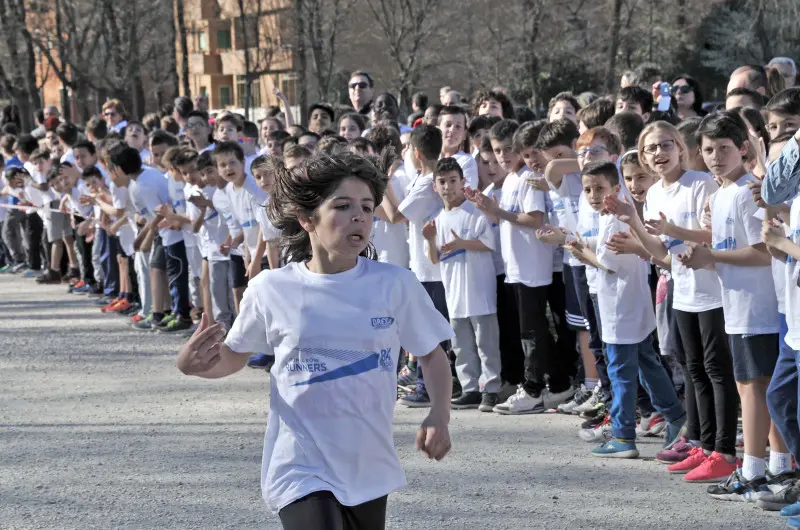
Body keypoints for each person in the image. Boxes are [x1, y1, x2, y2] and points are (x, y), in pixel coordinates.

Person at [176, 152, 453, 530]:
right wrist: (192, 365)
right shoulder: (271, 288)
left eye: (367, 207)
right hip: (299, 465)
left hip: (367, 463)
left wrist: (439, 414)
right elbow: (233, 356)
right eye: (343, 205)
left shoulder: (395, 284)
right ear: (307, 218)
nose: (359, 216)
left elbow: (432, 356)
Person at [604, 121, 739, 484]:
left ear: (681, 147)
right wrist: (631, 216)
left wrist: (674, 234)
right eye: (651, 148)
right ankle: (701, 444)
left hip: (714, 292)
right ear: (643, 156)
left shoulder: (700, 183)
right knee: (694, 369)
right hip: (683, 291)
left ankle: (724, 451)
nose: (659, 153)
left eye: (666, 145)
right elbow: (661, 255)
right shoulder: (655, 195)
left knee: (717, 371)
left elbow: (714, 236)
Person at [680, 111, 790, 502]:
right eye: (708, 149)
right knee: (755, 387)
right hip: (738, 305)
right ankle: (773, 469)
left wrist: (711, 258)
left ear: (743, 149)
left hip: (760, 306)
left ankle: (760, 470)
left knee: (756, 388)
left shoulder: (747, 191)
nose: (714, 156)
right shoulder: (722, 192)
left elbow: (763, 253)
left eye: (723, 148)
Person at [565, 161, 685, 459]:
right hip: (630, 305)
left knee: (621, 372)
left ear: (616, 189)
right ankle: (675, 416)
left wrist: (579, 252)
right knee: (647, 363)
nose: (593, 195)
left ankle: (623, 435)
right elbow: (605, 248)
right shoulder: (613, 217)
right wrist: (584, 242)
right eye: (588, 189)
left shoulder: (617, 219)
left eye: (600, 189)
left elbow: (607, 263)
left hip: (620, 308)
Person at [468, 120, 572, 414]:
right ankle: (561, 384)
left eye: (508, 150)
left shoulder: (529, 177)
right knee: (531, 329)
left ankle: (534, 388)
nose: (502, 157)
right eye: (497, 151)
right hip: (516, 266)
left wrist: (498, 211)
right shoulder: (511, 179)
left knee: (533, 331)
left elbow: (535, 219)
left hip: (534, 266)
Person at [379, 125, 452, 407]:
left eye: (408, 147)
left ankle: (427, 387)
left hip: (431, 270)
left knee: (428, 330)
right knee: (426, 328)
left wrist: (382, 183)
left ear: (417, 152)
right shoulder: (422, 178)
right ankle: (424, 382)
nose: (405, 152)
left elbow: (396, 215)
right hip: (423, 265)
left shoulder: (426, 182)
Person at [423, 157, 500, 412]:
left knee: (486, 343)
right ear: (435, 186)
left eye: (453, 181)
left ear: (463, 181)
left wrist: (462, 244)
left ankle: (490, 389)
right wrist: (430, 238)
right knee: (461, 344)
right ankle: (470, 388)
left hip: (479, 289)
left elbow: (489, 243)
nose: (448, 187)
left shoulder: (474, 211)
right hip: (454, 292)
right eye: (442, 182)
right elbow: (434, 259)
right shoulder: (437, 219)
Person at [437, 106, 478, 189]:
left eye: (458, 127)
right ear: (437, 129)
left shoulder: (467, 162)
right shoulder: (428, 157)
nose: (452, 130)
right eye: (448, 125)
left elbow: (468, 190)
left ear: (464, 134)